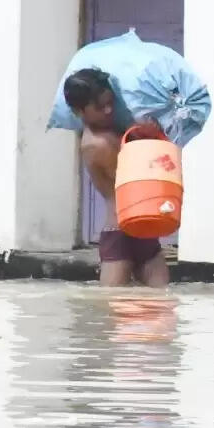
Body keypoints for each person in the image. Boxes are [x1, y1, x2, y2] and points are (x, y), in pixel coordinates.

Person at [63, 68, 169, 289]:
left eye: (111, 102)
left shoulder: (114, 132)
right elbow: (135, 178)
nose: (109, 110)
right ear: (78, 111)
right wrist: (147, 138)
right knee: (114, 307)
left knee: (161, 306)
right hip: (120, 233)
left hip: (141, 227)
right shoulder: (96, 145)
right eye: (100, 107)